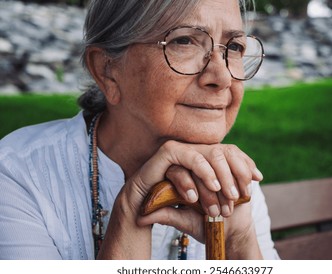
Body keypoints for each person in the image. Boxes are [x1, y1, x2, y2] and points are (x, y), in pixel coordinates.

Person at [0, 0, 279, 260]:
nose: (222, 77)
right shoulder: (17, 176)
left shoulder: (231, 180)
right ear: (108, 70)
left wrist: (240, 242)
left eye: (234, 47)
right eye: (184, 41)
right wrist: (130, 214)